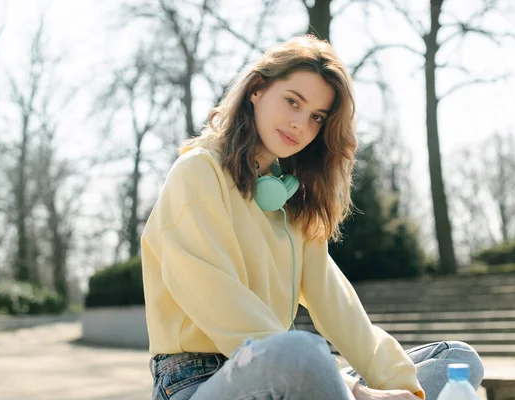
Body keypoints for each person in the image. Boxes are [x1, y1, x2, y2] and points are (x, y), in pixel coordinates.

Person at [140, 35, 484, 400]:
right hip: (197, 381)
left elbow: (338, 305)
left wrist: (402, 388)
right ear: (256, 89)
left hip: (289, 374)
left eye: (316, 117)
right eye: (292, 102)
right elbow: (219, 301)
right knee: (303, 351)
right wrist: (356, 391)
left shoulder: (288, 198)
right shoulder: (197, 172)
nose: (300, 125)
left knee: (457, 361)